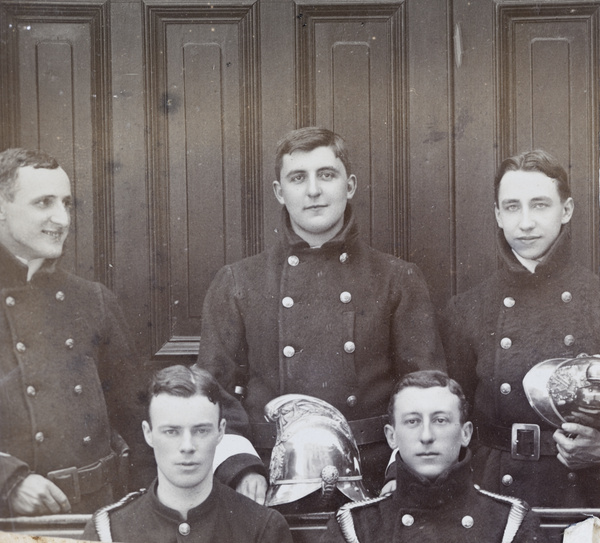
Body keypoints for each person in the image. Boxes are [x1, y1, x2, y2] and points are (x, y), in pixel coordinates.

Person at [196, 127, 445, 503]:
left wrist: (402, 470)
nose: (313, 191)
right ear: (280, 192)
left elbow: (425, 388)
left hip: (374, 479)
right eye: (298, 178)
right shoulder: (236, 282)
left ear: (350, 185)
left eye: (326, 175)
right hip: (267, 481)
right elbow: (212, 391)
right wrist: (241, 467)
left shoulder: (397, 278)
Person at [441, 149, 600, 507]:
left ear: (567, 210)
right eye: (512, 207)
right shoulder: (467, 309)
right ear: (498, 215)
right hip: (497, 493)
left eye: (540, 205)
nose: (526, 223)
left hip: (584, 494)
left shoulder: (596, 300)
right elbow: (450, 416)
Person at [0, 148, 143, 517]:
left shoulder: (93, 300)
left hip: (96, 513)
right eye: (43, 203)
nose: (61, 219)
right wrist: (7, 480)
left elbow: (136, 417)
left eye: (66, 203)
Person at [320, 370, 546, 543]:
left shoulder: (509, 524)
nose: (426, 436)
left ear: (465, 433)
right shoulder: (355, 528)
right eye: (412, 421)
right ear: (391, 436)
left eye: (440, 420)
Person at [83, 365, 293, 543]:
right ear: (149, 434)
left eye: (201, 430)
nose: (187, 446)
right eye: (171, 432)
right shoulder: (109, 532)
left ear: (220, 431)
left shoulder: (262, 530)